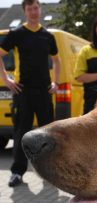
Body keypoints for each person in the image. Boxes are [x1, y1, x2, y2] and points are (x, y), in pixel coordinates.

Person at [0, 0, 61, 187]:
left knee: (47, 134)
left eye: (36, 8)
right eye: (30, 9)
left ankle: (50, 172)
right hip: (23, 91)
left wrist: (55, 82)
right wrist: (6, 80)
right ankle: (17, 172)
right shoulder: (17, 34)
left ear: (40, 10)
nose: (34, 12)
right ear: (25, 11)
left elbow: (56, 61)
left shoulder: (47, 36)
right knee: (21, 132)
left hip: (44, 91)